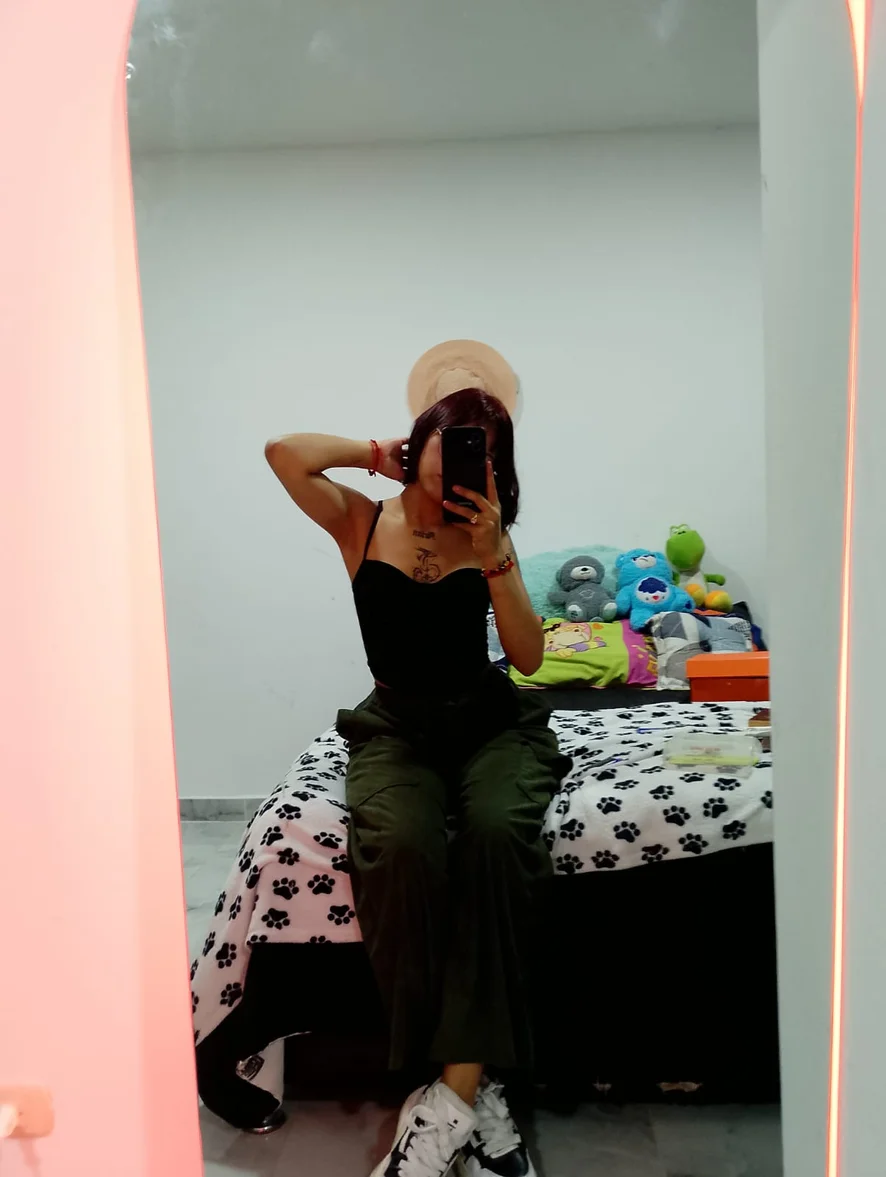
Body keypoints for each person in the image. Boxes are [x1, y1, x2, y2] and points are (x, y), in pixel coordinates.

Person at [265, 387, 570, 1177]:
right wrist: (372, 454)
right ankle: (473, 1085)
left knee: (498, 834)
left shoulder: (487, 536)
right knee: (398, 845)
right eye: (451, 438)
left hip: (491, 725)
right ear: (421, 437)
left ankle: (453, 1093)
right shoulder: (361, 522)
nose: (463, 458)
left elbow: (529, 657)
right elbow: (284, 454)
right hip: (396, 728)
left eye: (484, 450)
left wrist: (496, 551)